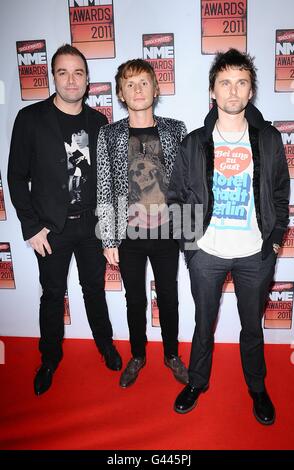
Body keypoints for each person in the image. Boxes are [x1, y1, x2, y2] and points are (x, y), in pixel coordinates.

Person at [168, 49, 290, 424]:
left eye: (241, 82)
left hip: (255, 253)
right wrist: (192, 248)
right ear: (213, 91)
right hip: (207, 253)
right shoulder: (193, 142)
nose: (233, 91)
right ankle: (197, 382)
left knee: (252, 327)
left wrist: (273, 242)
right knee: (204, 325)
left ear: (251, 91)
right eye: (225, 82)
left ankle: (257, 387)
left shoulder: (269, 138)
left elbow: (281, 193)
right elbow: (175, 197)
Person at [8, 44, 122, 396]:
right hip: (51, 228)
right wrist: (31, 227)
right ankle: (49, 358)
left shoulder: (98, 122)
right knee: (53, 294)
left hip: (90, 226)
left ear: (88, 81)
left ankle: (104, 344)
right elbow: (15, 176)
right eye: (63, 72)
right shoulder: (30, 119)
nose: (71, 80)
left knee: (94, 290)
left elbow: (105, 181)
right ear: (52, 77)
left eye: (78, 73)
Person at [96, 59, 188, 388]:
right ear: (120, 93)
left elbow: (185, 183)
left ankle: (172, 354)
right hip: (128, 236)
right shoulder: (108, 134)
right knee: (134, 300)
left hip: (167, 233)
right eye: (130, 84)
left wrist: (189, 233)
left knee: (169, 297)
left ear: (156, 88)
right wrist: (108, 238)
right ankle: (137, 355)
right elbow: (104, 186)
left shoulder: (176, 129)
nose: (137, 90)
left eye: (144, 83)